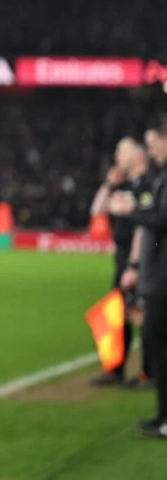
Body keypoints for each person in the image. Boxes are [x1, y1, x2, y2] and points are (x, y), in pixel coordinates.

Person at [109, 118, 167, 438]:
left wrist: (131, 211)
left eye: (154, 143)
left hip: (162, 276)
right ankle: (163, 416)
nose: (152, 150)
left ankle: (165, 417)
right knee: (156, 342)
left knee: (158, 342)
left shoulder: (161, 180)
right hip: (156, 274)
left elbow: (161, 219)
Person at [89, 138, 151, 386]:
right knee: (118, 314)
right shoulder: (122, 184)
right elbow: (96, 210)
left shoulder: (147, 184)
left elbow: (143, 226)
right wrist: (108, 184)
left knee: (140, 314)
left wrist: (135, 265)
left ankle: (149, 372)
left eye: (122, 151)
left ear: (138, 155)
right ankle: (116, 370)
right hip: (122, 258)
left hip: (142, 260)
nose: (117, 156)